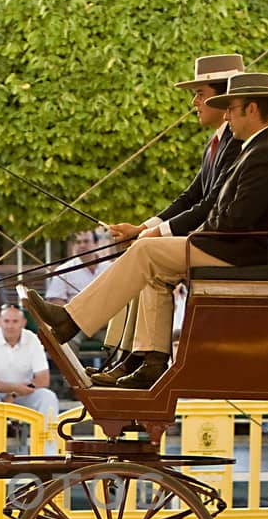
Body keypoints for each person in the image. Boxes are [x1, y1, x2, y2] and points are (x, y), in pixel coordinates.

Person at [26, 71, 268, 390]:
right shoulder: (258, 148)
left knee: (145, 251)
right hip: (230, 246)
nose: (226, 115)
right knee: (151, 262)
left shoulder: (264, 153)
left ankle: (71, 321)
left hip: (236, 252)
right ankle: (150, 361)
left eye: (231, 108)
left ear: (251, 109)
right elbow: (213, 206)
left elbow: (233, 220)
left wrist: (181, 235)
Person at [90, 53, 246, 380]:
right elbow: (190, 196)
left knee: (147, 255)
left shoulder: (236, 143)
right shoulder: (216, 143)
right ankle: (136, 356)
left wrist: (154, 234)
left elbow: (208, 205)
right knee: (142, 253)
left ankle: (140, 357)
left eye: (200, 94)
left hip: (224, 246)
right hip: (209, 239)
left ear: (222, 97)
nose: (194, 103)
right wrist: (143, 227)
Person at [0, 306, 59, 455]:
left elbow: (43, 379)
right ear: (0, 321)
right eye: (6, 321)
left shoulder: (32, 339)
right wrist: (13, 388)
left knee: (48, 396)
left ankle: (49, 454)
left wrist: (13, 393)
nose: (10, 326)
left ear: (23, 322)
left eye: (15, 321)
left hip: (22, 392)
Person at [45, 229, 110, 304]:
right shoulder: (63, 270)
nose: (82, 245)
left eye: (86, 241)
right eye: (78, 242)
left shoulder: (109, 267)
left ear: (96, 243)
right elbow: (55, 300)